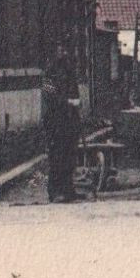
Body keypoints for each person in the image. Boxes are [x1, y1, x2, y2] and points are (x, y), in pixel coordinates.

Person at [41, 54, 82, 202]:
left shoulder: (71, 77)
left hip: (70, 121)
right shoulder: (49, 78)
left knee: (70, 156)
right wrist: (70, 102)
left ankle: (68, 189)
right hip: (54, 123)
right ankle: (55, 191)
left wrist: (76, 105)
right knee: (56, 156)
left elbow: (76, 96)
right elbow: (51, 99)